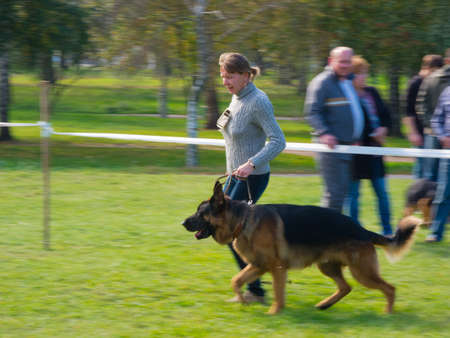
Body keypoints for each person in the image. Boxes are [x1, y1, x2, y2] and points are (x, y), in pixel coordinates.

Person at [217, 52, 286, 303]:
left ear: (246, 76)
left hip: (253, 177)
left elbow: (279, 141)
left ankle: (256, 288)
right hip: (236, 177)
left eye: (230, 76)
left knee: (229, 233)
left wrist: (251, 163)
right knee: (231, 233)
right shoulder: (236, 98)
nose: (225, 81)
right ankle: (259, 280)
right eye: (223, 76)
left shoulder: (258, 100)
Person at [305, 46, 382, 212]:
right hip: (331, 148)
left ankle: (334, 233)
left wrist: (356, 136)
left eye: (348, 62)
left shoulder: (347, 81)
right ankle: (325, 235)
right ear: (330, 61)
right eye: (341, 62)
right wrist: (324, 133)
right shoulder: (322, 82)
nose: (345, 65)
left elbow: (352, 112)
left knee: (342, 194)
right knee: (334, 194)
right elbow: (312, 112)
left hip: (348, 146)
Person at [345, 56, 393, 236]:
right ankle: (355, 232)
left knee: (382, 193)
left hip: (374, 153)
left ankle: (387, 230)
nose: (363, 77)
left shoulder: (373, 92)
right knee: (353, 196)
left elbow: (387, 116)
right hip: (355, 154)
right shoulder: (346, 96)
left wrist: (383, 130)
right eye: (358, 74)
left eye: (364, 73)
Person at [405, 55, 443, 178]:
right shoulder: (416, 83)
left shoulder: (436, 83)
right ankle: (418, 195)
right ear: (425, 68)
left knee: (434, 171)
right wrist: (413, 132)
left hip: (433, 133)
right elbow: (408, 111)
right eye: (433, 71)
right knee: (421, 170)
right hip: (420, 133)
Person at [416, 49, 450, 181]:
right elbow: (421, 106)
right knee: (430, 177)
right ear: (447, 61)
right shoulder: (432, 79)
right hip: (434, 135)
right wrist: (438, 130)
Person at [426, 85, 450, 243]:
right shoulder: (447, 91)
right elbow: (436, 119)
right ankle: (435, 233)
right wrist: (442, 137)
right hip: (448, 152)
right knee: (443, 193)